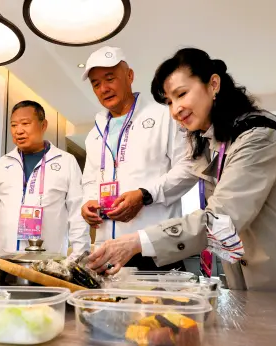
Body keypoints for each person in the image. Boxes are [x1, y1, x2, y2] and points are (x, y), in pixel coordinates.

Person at [87, 48, 276, 294]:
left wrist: (136, 241)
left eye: (182, 94)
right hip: (252, 284)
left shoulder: (258, 138)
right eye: (169, 101)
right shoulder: (211, 146)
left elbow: (222, 219)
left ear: (213, 84)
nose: (175, 110)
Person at [81, 46, 197, 272]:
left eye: (110, 78)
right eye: (96, 84)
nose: (104, 88)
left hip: (155, 250)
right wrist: (88, 202)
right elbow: (89, 180)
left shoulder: (165, 115)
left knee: (162, 308)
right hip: (108, 253)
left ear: (130, 75)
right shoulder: (94, 133)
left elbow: (189, 168)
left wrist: (145, 195)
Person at [0, 100, 91, 258]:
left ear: (43, 125)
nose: (18, 130)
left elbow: (77, 213)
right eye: (13, 125)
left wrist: (79, 256)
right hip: (5, 260)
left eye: (25, 123)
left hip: (50, 261)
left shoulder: (66, 162)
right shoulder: (2, 164)